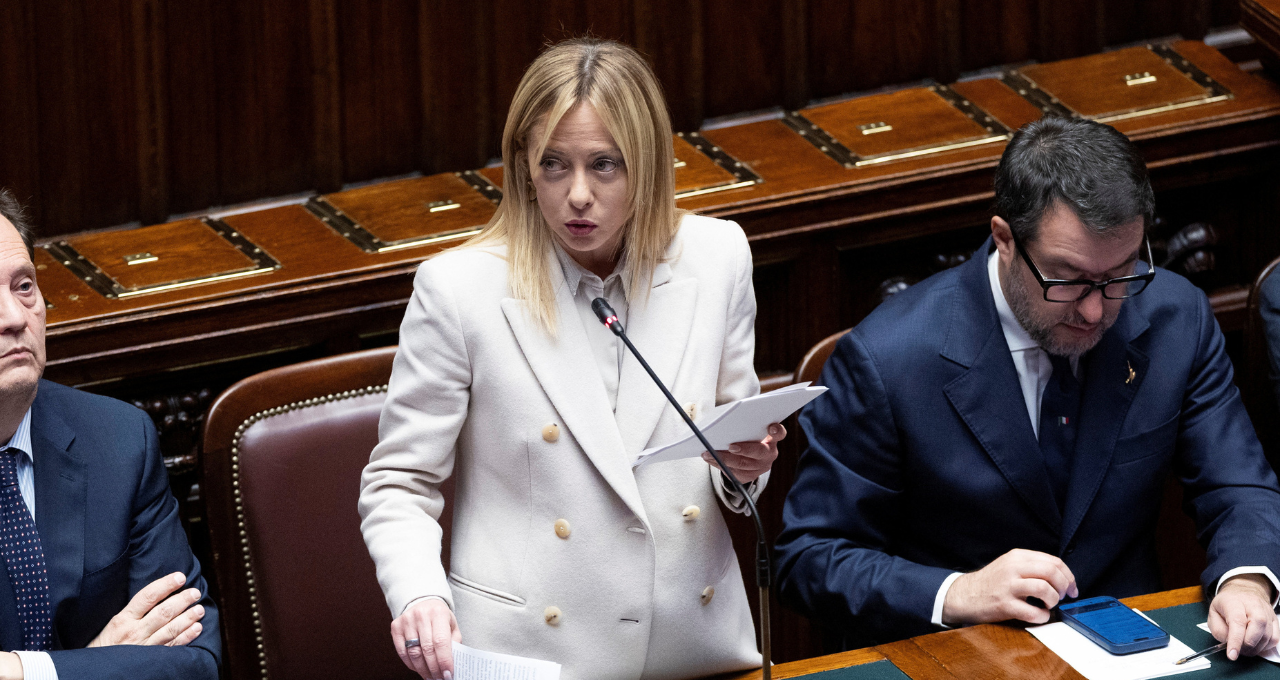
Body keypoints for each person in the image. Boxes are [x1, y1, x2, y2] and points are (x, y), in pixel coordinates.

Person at [775, 117, 1280, 658]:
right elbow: (810, 556)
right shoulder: (888, 358)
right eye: (1069, 280)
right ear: (1005, 239)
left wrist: (1245, 581)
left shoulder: (1176, 317)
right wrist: (956, 592)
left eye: (1119, 276)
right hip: (960, 657)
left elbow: (1237, 487)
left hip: (1137, 650)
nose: (1094, 310)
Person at [359, 38, 783, 680]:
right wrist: (419, 592)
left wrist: (745, 467)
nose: (577, 195)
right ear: (523, 165)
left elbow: (732, 446)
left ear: (648, 164)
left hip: (692, 646)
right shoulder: (459, 291)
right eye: (553, 165)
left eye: (604, 165)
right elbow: (400, 482)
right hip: (533, 653)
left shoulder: (717, 256)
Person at [0, 189, 221, 680]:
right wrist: (99, 662)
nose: (15, 319)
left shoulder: (120, 440)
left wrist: (23, 672)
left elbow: (194, 662)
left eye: (23, 286)